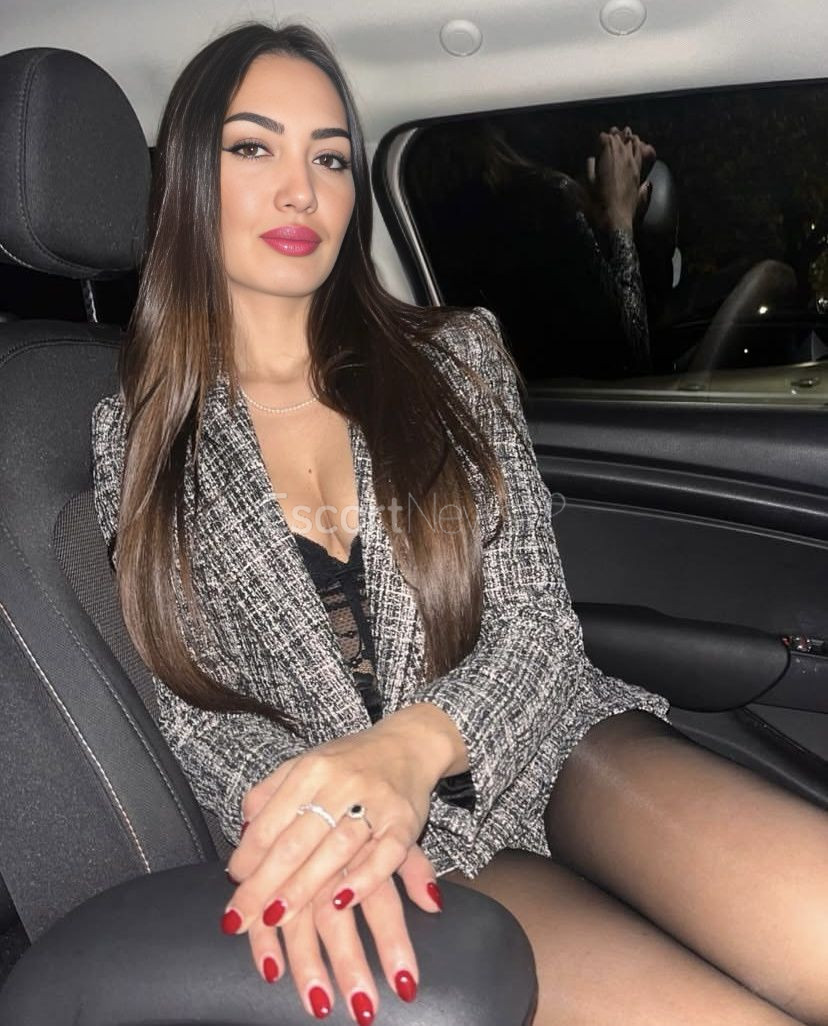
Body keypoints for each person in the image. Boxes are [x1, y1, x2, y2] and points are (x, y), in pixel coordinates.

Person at [90, 22, 828, 1026]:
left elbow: (536, 624)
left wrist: (412, 746)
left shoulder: (454, 358)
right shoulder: (138, 435)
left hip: (545, 741)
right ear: (186, 177)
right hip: (395, 844)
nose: (301, 190)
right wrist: (312, 831)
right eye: (253, 147)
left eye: (331, 158)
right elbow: (197, 706)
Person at [405, 120, 657, 380]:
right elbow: (631, 360)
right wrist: (620, 219)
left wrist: (602, 225)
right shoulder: (539, 206)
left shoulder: (443, 204)